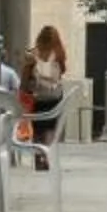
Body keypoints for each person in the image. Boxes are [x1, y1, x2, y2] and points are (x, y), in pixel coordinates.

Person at [23, 27, 68, 164]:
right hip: (55, 97)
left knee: (37, 127)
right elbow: (62, 72)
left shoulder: (33, 54)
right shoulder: (59, 54)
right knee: (50, 127)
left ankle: (38, 157)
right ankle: (47, 157)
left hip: (38, 98)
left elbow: (26, 78)